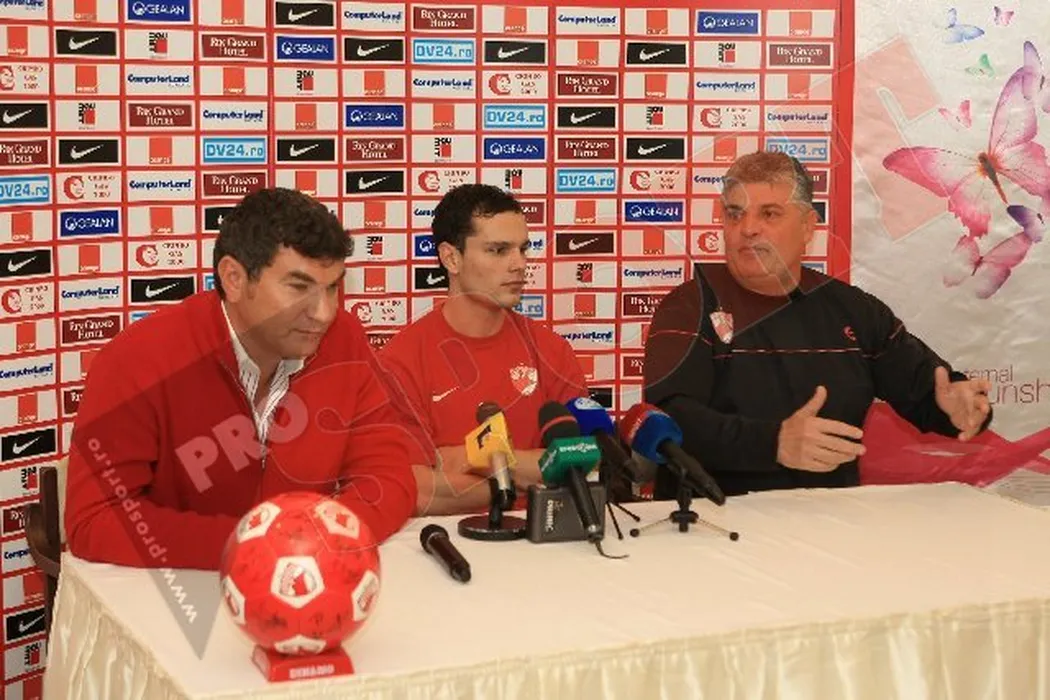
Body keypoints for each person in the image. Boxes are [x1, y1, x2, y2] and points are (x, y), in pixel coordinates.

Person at [64, 188, 418, 569]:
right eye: (299, 288)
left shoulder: (344, 339)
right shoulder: (139, 359)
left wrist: (316, 537)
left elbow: (389, 479)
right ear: (233, 279)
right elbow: (95, 519)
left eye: (332, 287)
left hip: (306, 577)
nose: (324, 313)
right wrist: (260, 544)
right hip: (180, 592)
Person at [643, 151, 993, 498]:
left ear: (808, 226)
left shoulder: (853, 311)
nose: (747, 229)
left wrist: (958, 407)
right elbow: (668, 420)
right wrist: (773, 443)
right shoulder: (689, 306)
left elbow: (930, 391)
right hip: (712, 521)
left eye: (769, 214)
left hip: (829, 524)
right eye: (735, 214)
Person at [379, 184, 589, 515]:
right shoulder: (401, 360)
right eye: (498, 250)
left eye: (523, 249)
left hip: (547, 535)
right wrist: (516, 480)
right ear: (451, 258)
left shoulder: (552, 351)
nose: (519, 264)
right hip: (448, 541)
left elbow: (582, 463)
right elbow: (414, 490)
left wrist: (472, 458)